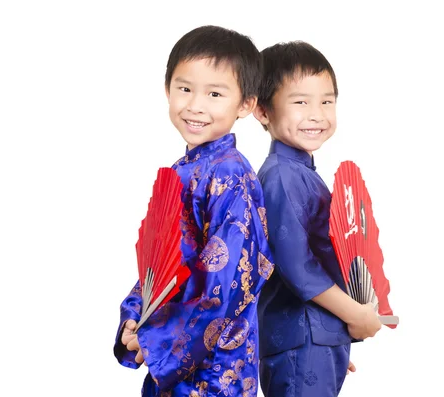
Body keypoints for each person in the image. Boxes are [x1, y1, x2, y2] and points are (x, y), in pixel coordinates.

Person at [113, 25, 274, 397]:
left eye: (215, 94)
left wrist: (154, 338)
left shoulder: (231, 174)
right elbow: (161, 264)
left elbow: (228, 282)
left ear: (246, 104)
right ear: (167, 88)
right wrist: (136, 316)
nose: (195, 105)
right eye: (184, 88)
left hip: (216, 370)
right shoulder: (182, 170)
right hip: (172, 362)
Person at [253, 41, 382, 397]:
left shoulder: (300, 171)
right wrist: (355, 315)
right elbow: (297, 268)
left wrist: (333, 335)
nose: (317, 114)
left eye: (327, 101)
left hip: (312, 337)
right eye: (300, 101)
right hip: (301, 335)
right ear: (262, 110)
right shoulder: (281, 175)